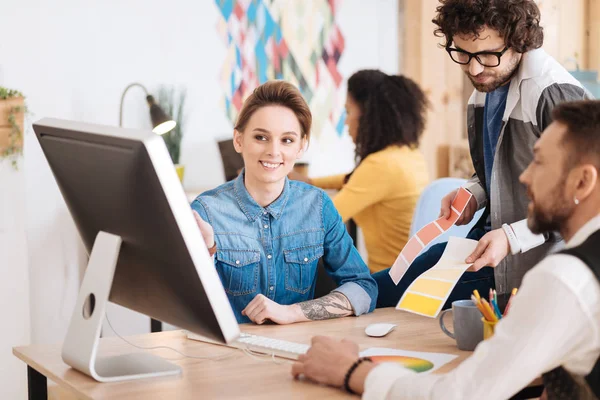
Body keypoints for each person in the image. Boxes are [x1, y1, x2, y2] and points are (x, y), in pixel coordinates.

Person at [292, 100, 600, 400]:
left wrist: (351, 370)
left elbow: (458, 395)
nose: (524, 176)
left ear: (582, 181)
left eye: (539, 162)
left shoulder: (566, 278)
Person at [374, 0, 591, 309]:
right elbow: (495, 171)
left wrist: (511, 237)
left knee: (382, 292)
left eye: (488, 55)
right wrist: (473, 192)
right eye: (462, 53)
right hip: (488, 245)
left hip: (526, 263)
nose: (474, 68)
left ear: (521, 41)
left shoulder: (553, 94)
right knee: (386, 286)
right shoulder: (485, 90)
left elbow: (584, 201)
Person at [191, 81, 377, 324]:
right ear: (239, 140)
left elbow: (364, 287)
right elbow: (188, 308)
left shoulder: (318, 206)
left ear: (302, 146)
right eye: (261, 137)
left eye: (287, 140)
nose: (273, 151)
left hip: (299, 349)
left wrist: (292, 313)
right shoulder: (205, 212)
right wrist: (206, 253)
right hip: (228, 354)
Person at [291, 70, 429, 273]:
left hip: (389, 282)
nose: (346, 122)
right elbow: (352, 178)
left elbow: (319, 222)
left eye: (348, 111)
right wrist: (310, 181)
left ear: (368, 116)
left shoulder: (380, 166)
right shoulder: (407, 155)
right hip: (412, 278)